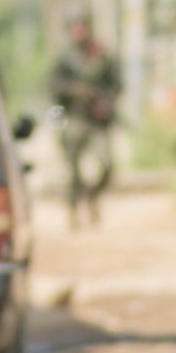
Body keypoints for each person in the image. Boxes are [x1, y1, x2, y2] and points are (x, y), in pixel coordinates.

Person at [50, 13, 120, 228]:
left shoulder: (102, 55)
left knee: (107, 165)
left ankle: (92, 197)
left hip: (97, 121)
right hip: (75, 118)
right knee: (72, 172)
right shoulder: (65, 59)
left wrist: (105, 103)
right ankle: (73, 211)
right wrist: (77, 92)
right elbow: (54, 88)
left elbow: (116, 85)